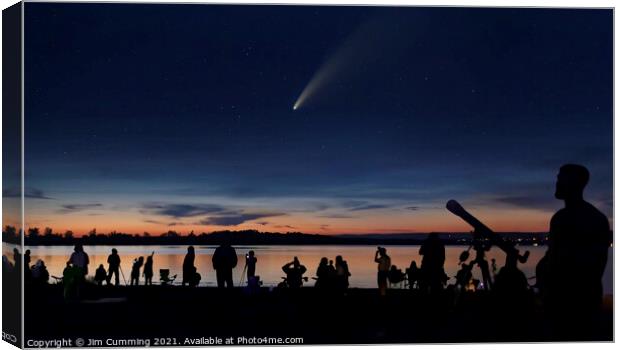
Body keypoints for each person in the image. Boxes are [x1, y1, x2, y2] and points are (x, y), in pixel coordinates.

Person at [536, 164, 611, 339]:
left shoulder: (564, 219)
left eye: (560, 178)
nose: (557, 183)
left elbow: (560, 261)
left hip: (570, 305)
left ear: (574, 183)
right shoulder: (597, 218)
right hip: (584, 302)